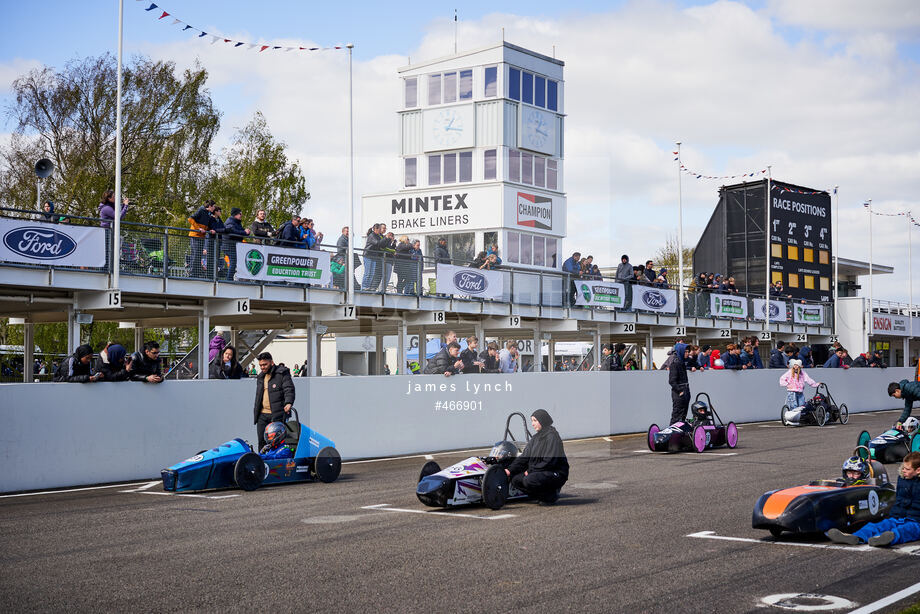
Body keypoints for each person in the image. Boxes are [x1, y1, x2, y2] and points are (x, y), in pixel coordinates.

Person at [827, 452, 920, 547]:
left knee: (906, 530)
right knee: (880, 525)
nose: (904, 470)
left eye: (907, 469)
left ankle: (887, 538)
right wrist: (894, 515)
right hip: (899, 516)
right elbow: (899, 500)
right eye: (903, 468)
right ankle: (856, 537)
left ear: (918, 470)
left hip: (916, 520)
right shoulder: (902, 479)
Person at [504, 409, 568, 505]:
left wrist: (530, 471)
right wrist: (509, 470)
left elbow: (550, 461)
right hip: (540, 471)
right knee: (516, 480)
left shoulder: (552, 436)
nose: (532, 424)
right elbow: (524, 457)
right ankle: (543, 495)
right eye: (532, 421)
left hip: (556, 472)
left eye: (535, 420)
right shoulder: (535, 438)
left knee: (529, 479)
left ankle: (550, 496)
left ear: (542, 420)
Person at [253, 352, 295, 450]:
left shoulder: (282, 373)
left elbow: (289, 389)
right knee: (261, 441)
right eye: (260, 365)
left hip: (277, 414)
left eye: (265, 364)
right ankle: (262, 463)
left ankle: (277, 463)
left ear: (271, 362)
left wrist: (288, 402)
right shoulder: (260, 377)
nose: (262, 367)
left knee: (276, 442)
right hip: (262, 415)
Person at [188, 199, 218, 278]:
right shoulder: (201, 210)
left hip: (202, 237)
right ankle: (192, 273)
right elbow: (190, 219)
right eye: (214, 206)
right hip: (195, 235)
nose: (214, 208)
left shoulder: (209, 214)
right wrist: (198, 228)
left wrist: (209, 230)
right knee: (195, 254)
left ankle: (196, 272)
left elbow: (205, 225)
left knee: (198, 255)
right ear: (210, 206)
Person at [221, 207, 250, 280]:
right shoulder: (230, 222)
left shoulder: (237, 222)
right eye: (240, 214)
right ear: (235, 214)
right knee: (233, 263)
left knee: (235, 263)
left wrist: (246, 232)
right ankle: (229, 279)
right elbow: (232, 232)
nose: (241, 215)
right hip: (229, 246)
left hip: (234, 246)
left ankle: (233, 278)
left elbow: (240, 232)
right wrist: (244, 232)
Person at [667, 342, 690, 423]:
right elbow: (672, 381)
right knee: (677, 414)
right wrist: (680, 391)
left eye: (688, 352)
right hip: (679, 392)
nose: (687, 353)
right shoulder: (675, 363)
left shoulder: (682, 362)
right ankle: (673, 433)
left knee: (683, 414)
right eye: (685, 352)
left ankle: (681, 433)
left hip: (686, 390)